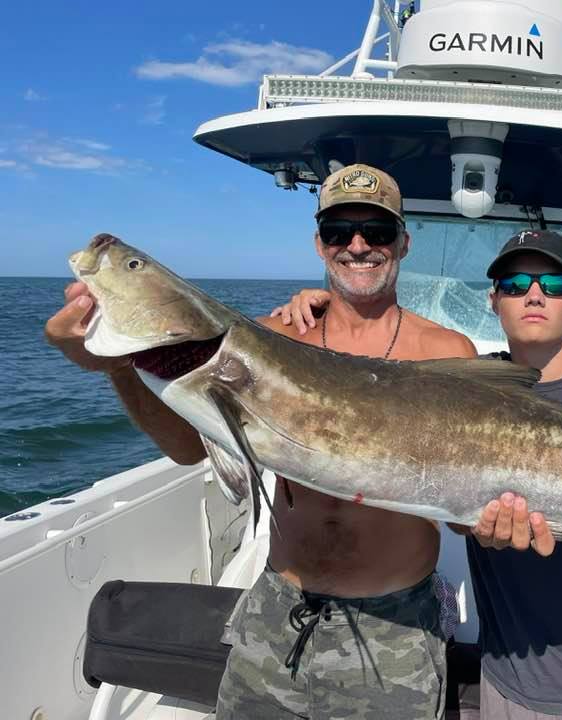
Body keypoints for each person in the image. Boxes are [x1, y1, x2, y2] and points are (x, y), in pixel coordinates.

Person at [44, 164, 476, 720]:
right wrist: (118, 366)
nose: (359, 246)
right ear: (319, 243)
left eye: (378, 231)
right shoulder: (273, 335)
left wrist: (493, 521)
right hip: (278, 609)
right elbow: (190, 448)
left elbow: (465, 506)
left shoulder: (447, 353)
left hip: (393, 626)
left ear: (404, 243)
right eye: (340, 231)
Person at [276, 229, 562, 719]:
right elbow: (385, 389)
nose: (535, 294)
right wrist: (331, 304)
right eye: (516, 283)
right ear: (494, 300)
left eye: (555, 284)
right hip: (500, 680)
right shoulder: (464, 388)